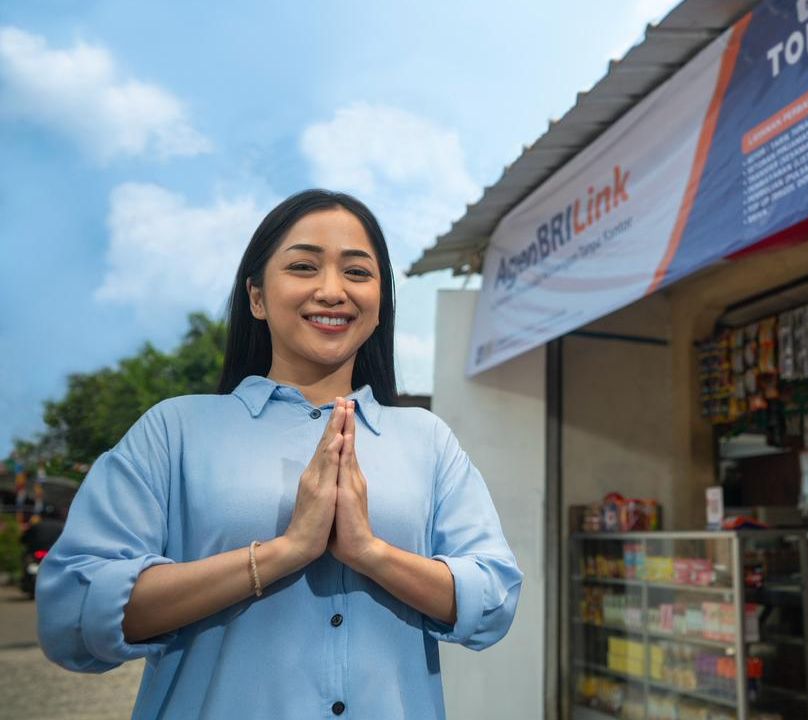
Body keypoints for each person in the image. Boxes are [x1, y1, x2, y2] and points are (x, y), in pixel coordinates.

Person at [36, 190, 522, 719]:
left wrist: (369, 552)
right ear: (257, 297)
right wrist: (283, 553)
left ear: (380, 304)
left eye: (358, 273)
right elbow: (71, 610)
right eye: (303, 266)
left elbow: (494, 598)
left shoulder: (429, 440)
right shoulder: (175, 429)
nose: (332, 291)